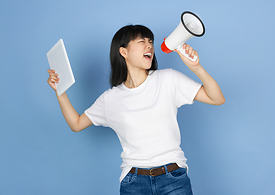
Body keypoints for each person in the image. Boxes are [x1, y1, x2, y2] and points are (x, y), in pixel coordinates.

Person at [47, 25, 225, 195]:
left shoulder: (168, 79)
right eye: (141, 42)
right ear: (123, 51)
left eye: (150, 42)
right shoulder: (110, 99)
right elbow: (76, 123)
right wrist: (59, 91)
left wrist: (196, 67)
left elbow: (217, 98)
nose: (149, 46)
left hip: (173, 178)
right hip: (134, 183)